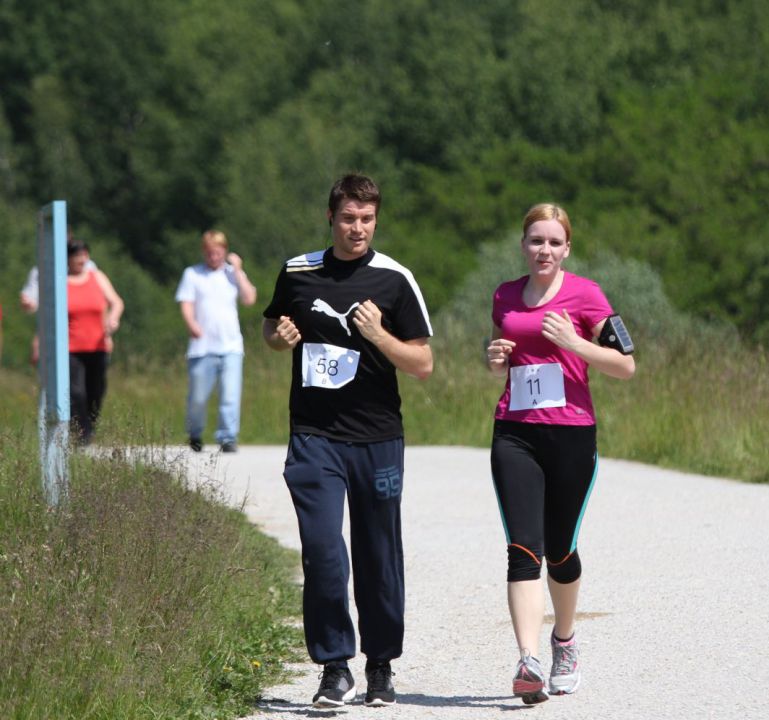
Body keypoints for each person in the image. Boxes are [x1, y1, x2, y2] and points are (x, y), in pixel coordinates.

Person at [262, 174, 433, 709]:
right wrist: (278, 338)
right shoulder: (298, 271)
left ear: (376, 220)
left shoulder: (394, 279)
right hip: (315, 436)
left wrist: (380, 335)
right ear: (331, 219)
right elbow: (272, 327)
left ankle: (380, 664)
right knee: (322, 550)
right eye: (348, 218)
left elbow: (423, 363)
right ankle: (334, 665)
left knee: (378, 554)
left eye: (367, 219)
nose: (357, 228)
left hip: (377, 437)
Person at [486, 203, 635, 705]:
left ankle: (564, 642)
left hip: (572, 435)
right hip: (515, 432)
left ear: (566, 247)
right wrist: (494, 356)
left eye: (553, 241)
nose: (543, 249)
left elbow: (626, 366)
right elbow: (503, 349)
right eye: (535, 240)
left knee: (560, 548)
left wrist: (576, 343)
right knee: (522, 548)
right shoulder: (505, 295)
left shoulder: (587, 294)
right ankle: (527, 660)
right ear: (523, 245)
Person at [175, 230, 257, 453]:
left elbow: (249, 298)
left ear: (225, 252)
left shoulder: (231, 274)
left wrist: (238, 270)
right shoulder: (193, 274)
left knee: (230, 395)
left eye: (218, 253)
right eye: (210, 253)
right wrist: (192, 324)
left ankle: (227, 437)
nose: (214, 257)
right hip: (202, 347)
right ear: (204, 252)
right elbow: (186, 302)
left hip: (231, 345)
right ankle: (195, 433)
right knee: (198, 397)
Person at [66, 240, 124, 444]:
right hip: (71, 347)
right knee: (76, 391)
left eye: (84, 255)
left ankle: (90, 424)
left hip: (98, 344)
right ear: (69, 259)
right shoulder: (62, 282)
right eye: (76, 256)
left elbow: (116, 302)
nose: (81, 259)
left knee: (96, 390)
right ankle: (82, 434)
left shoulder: (97, 278)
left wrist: (113, 318)